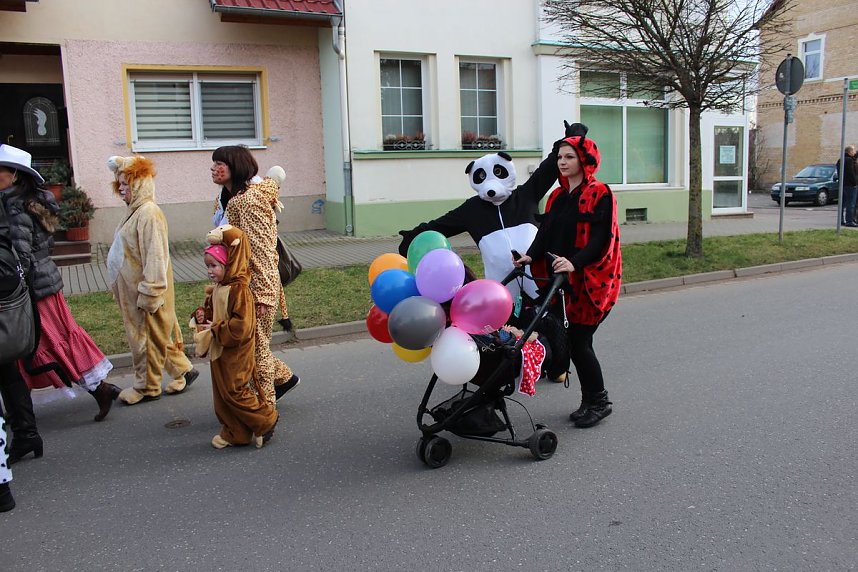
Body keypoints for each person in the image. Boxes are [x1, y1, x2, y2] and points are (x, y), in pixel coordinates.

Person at [0, 144, 120, 424]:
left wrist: (16, 287)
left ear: (15, 175)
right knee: (52, 341)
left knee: (50, 343)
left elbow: (21, 253)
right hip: (43, 282)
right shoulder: (32, 200)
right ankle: (98, 388)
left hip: (33, 289)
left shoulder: (15, 206)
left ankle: (99, 388)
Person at [513, 133, 622, 428]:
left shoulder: (600, 193)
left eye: (569, 156)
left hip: (590, 283)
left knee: (580, 341)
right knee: (574, 341)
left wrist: (575, 262)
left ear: (584, 160)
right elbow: (546, 232)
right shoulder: (558, 196)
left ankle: (599, 401)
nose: (562, 162)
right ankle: (591, 401)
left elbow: (601, 238)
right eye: (560, 157)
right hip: (562, 282)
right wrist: (529, 255)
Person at [210, 146, 299, 406]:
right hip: (237, 286)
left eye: (220, 163)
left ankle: (265, 411)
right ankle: (283, 379)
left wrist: (262, 295)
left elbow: (262, 252)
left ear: (236, 166)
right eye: (213, 163)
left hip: (256, 288)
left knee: (254, 350)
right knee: (247, 345)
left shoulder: (249, 200)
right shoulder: (226, 198)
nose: (214, 168)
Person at [106, 155, 198, 404]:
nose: (122, 188)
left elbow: (156, 256)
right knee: (156, 334)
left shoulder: (148, 213)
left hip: (146, 292)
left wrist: (150, 293)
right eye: (120, 184)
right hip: (134, 291)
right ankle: (183, 370)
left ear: (139, 185)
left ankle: (146, 386)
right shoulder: (134, 212)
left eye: (126, 183)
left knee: (144, 339)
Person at [192, 225, 278, 449]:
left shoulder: (239, 289)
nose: (210, 271)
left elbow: (242, 326)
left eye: (214, 266)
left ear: (228, 263)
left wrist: (217, 329)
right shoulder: (219, 287)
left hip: (235, 351)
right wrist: (202, 315)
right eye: (207, 266)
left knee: (235, 391)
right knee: (221, 395)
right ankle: (236, 432)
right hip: (219, 349)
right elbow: (212, 312)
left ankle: (266, 420)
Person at [836, 145, 857, 227]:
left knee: (842, 203)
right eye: (853, 151)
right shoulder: (849, 160)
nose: (854, 152)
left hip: (843, 185)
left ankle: (841, 220)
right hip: (850, 185)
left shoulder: (841, 160)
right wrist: (855, 183)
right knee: (851, 203)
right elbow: (850, 173)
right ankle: (849, 221)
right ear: (850, 151)